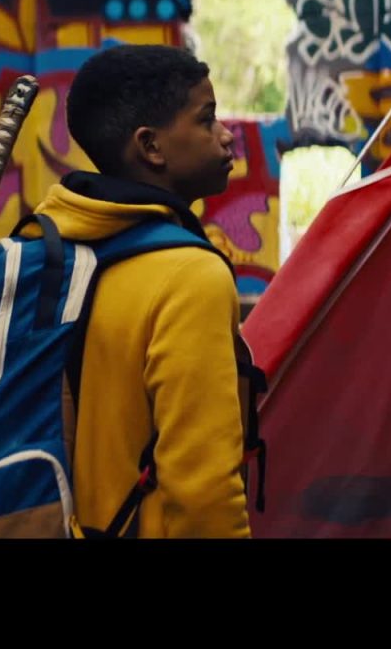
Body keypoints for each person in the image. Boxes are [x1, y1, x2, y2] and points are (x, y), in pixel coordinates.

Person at [33, 43, 250, 538]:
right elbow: (204, 492)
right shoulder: (190, 278)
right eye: (207, 119)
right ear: (151, 146)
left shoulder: (50, 249)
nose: (226, 135)